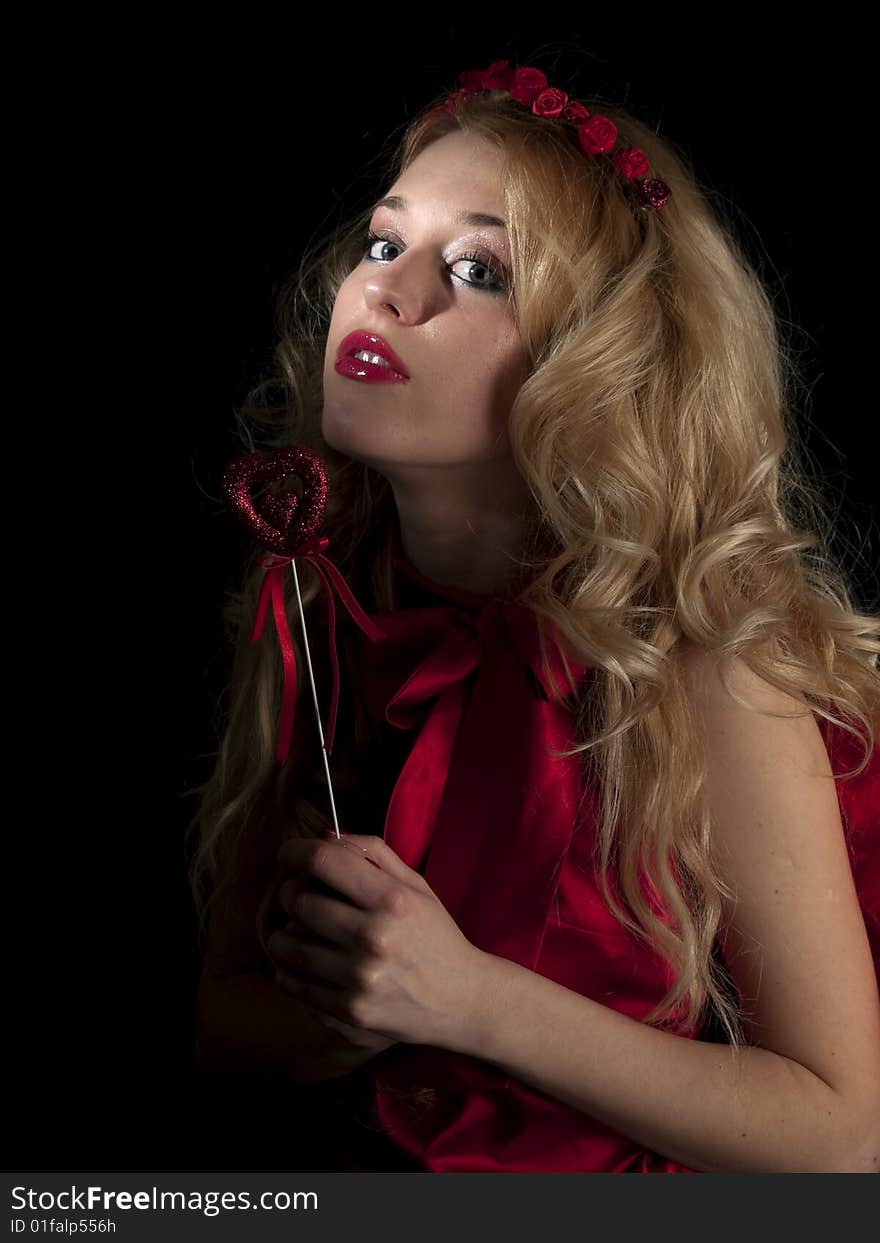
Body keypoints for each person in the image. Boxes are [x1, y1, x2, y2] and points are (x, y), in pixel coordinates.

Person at [187, 57, 880, 1173]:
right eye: (382, 242)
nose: (388, 293)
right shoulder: (319, 601)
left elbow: (845, 1135)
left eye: (476, 269)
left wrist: (467, 999)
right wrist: (346, 1007)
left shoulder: (701, 668)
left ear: (591, 366)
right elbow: (225, 1015)